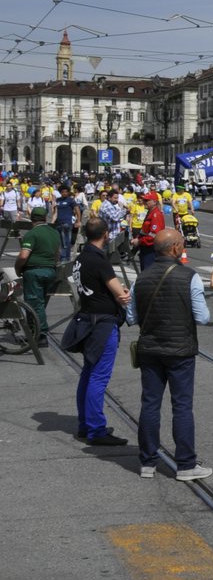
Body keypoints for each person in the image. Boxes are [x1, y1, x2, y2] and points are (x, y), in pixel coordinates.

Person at [129, 229, 212, 481]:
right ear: (175, 248)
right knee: (182, 406)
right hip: (180, 350)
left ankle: (148, 462)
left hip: (150, 350)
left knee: (150, 404)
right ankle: (186, 465)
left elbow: (131, 317)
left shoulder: (140, 279)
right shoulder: (190, 277)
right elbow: (203, 317)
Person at [66, 216, 130, 447]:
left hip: (86, 318)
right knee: (98, 377)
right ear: (105, 234)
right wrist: (123, 293)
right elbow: (120, 294)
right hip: (102, 323)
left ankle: (86, 424)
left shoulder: (81, 258)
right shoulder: (99, 259)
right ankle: (96, 429)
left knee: (88, 373)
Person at [14, 205, 60, 333]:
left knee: (34, 304)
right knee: (40, 303)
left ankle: (39, 334)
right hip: (50, 270)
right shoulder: (54, 232)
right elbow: (57, 255)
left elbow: (23, 256)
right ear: (45, 218)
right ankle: (36, 331)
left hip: (35, 271)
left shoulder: (31, 234)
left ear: (31, 218)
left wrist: (17, 267)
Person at [137, 192, 166, 272]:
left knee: (148, 272)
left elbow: (154, 235)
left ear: (154, 202)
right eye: (144, 200)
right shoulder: (150, 212)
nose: (144, 202)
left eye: (147, 200)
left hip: (151, 249)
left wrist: (139, 241)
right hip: (145, 248)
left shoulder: (156, 215)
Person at [53, 184, 77, 259]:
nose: (64, 193)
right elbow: (55, 212)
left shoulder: (71, 200)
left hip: (67, 223)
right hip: (59, 223)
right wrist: (52, 221)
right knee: (60, 241)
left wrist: (78, 221)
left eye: (66, 192)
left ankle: (66, 256)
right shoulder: (58, 200)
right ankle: (62, 255)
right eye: (63, 192)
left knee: (66, 240)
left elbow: (77, 210)